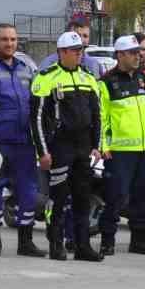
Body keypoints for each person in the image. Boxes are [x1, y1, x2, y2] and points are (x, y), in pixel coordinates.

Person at [31, 30, 103, 262]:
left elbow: (97, 114)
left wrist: (97, 145)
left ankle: (82, 246)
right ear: (61, 52)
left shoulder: (89, 77)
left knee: (83, 198)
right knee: (58, 199)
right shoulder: (46, 77)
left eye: (80, 50)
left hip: (83, 147)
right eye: (73, 51)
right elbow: (37, 118)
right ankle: (56, 244)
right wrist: (43, 151)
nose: (78, 54)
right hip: (60, 146)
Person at [0, 23, 43, 258]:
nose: (9, 43)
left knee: (28, 193)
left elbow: (36, 105)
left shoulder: (26, 69)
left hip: (25, 142)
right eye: (4, 39)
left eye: (13, 39)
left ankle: (26, 242)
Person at [97, 35, 145, 256]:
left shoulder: (144, 78)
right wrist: (104, 145)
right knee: (116, 196)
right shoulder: (107, 82)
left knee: (143, 196)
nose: (138, 55)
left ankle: (139, 238)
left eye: (139, 52)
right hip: (119, 151)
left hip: (144, 148)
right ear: (120, 55)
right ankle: (107, 239)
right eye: (133, 53)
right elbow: (101, 117)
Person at [40, 19, 107, 78]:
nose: (81, 39)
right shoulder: (49, 63)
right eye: (77, 35)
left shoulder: (93, 64)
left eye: (85, 36)